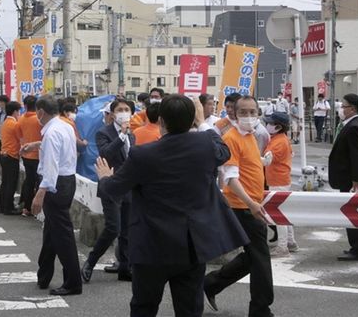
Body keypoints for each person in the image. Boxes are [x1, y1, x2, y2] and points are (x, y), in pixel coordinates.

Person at [94, 94, 249, 317]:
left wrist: (105, 177)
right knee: (189, 308)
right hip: (191, 245)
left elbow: (113, 190)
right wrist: (202, 122)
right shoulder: (206, 145)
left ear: (161, 121)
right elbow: (223, 150)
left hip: (151, 245)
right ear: (191, 120)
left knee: (144, 307)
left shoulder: (143, 154)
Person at [204, 95, 274, 317]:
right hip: (243, 206)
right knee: (261, 259)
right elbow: (231, 178)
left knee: (253, 256)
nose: (249, 116)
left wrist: (263, 162)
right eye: (243, 112)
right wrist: (252, 204)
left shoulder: (251, 136)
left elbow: (246, 165)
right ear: (234, 113)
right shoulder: (232, 138)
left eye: (253, 112)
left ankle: (210, 283)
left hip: (251, 203)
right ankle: (260, 310)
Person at [31, 95, 82, 296]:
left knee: (62, 236)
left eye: (37, 112)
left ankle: (73, 282)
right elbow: (59, 153)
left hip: (55, 184)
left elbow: (51, 166)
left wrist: (40, 193)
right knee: (52, 231)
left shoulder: (52, 132)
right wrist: (36, 145)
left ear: (41, 112)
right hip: (67, 181)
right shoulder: (65, 126)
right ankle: (44, 275)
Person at [81, 98, 136, 283]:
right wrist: (121, 135)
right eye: (119, 109)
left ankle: (125, 268)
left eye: (127, 109)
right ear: (112, 114)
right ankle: (90, 261)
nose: (123, 112)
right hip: (110, 186)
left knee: (127, 230)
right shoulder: (103, 133)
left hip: (129, 187)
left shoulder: (132, 135)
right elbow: (106, 153)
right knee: (114, 227)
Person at [329, 93, 358, 261]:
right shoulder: (350, 125)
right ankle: (357, 246)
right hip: (349, 179)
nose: (341, 109)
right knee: (352, 213)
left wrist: (356, 180)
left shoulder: (355, 127)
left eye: (343, 106)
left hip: (353, 181)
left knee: (354, 214)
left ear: (352, 108)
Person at [262, 112, 298, 257]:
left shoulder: (278, 142)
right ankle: (290, 242)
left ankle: (283, 247)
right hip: (282, 180)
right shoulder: (281, 138)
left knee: (278, 216)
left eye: (270, 123)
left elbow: (266, 161)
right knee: (284, 213)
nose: (267, 125)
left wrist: (249, 157)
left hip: (277, 181)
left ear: (277, 126)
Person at [18, 96, 43, 216]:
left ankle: (26, 207)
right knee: (39, 182)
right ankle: (35, 208)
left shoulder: (21, 119)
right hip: (38, 155)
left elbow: (20, 136)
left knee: (29, 181)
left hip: (26, 154)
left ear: (25, 105)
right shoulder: (40, 120)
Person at [0, 101, 22, 215]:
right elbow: (20, 139)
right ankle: (9, 207)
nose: (19, 114)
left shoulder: (5, 122)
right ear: (15, 112)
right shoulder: (15, 124)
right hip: (12, 155)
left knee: (5, 182)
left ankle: (3, 207)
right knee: (11, 183)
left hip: (4, 154)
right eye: (19, 111)